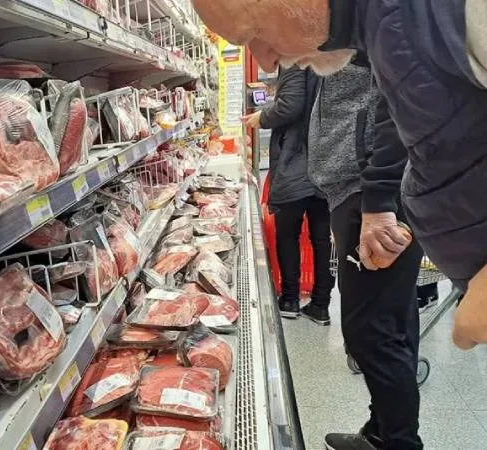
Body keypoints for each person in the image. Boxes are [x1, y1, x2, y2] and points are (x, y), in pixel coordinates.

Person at [192, 0, 487, 350]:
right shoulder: (378, 32)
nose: (266, 61)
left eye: (254, 32)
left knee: (377, 336)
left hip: (363, 195)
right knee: (369, 334)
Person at [307, 55, 423, 450]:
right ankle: (382, 432)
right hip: (366, 188)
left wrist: (378, 198)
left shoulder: (382, 26)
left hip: (371, 192)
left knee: (373, 334)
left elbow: (402, 95)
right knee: (391, 324)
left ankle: (399, 443)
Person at [242, 65, 334, 322]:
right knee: (322, 237)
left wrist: (262, 117)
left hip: (295, 160)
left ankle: (290, 299)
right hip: (324, 160)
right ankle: (321, 304)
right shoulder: (327, 56)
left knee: (288, 233)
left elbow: (290, 106)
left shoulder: (294, 57)